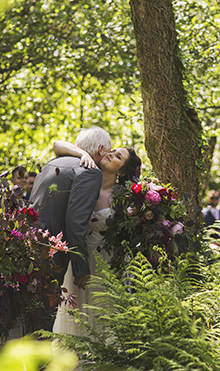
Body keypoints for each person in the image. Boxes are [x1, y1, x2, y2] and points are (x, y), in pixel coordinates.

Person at [51, 140, 141, 338]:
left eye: (118, 157)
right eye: (113, 151)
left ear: (122, 172)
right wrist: (83, 154)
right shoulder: (85, 178)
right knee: (76, 321)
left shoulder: (124, 198)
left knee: (104, 321)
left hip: (107, 267)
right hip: (78, 262)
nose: (110, 154)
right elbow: (57, 145)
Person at [28, 127, 111, 331]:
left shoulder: (54, 163)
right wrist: (81, 267)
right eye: (108, 151)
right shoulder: (91, 172)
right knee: (44, 318)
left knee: (31, 315)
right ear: (101, 149)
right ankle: (39, 363)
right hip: (51, 252)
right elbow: (76, 222)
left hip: (28, 240)